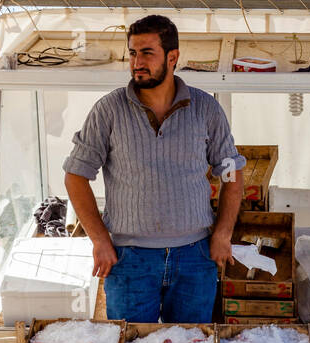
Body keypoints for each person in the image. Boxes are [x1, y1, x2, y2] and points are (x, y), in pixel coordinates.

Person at [63, 15, 245, 323]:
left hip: (195, 257)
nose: (137, 62)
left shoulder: (206, 109)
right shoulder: (108, 110)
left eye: (147, 53)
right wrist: (99, 240)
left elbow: (231, 172)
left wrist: (223, 234)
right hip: (129, 259)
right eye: (133, 53)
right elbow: (76, 176)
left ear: (172, 57)